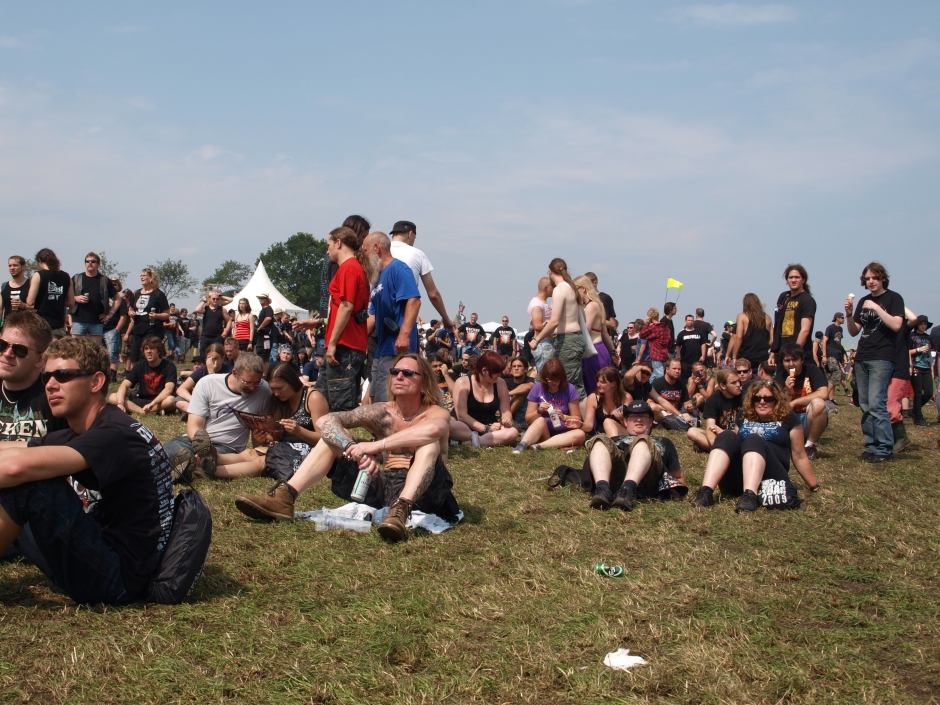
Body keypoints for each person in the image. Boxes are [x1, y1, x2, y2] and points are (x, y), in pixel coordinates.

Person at [0, 337, 174, 605]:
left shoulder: (113, 435)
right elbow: (17, 447)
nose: (50, 385)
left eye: (64, 376)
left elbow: (14, 467)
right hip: (103, 551)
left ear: (96, 382)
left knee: (29, 483)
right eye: (46, 377)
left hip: (116, 579)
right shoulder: (90, 429)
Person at [234, 354, 459, 542]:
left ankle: (401, 510)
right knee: (329, 440)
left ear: (424, 383)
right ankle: (284, 498)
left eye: (408, 373)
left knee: (428, 445)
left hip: (427, 494)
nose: (399, 376)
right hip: (384, 487)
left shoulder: (434, 411)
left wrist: (373, 446)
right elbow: (325, 422)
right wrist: (352, 447)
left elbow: (432, 431)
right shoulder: (381, 411)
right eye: (395, 372)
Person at [691, 380, 818, 511]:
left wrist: (814, 486)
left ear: (777, 400)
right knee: (727, 436)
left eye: (768, 398)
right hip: (737, 480)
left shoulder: (789, 417)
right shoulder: (743, 415)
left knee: (753, 439)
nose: (762, 402)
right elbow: (734, 445)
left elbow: (799, 455)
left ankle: (750, 496)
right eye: (757, 398)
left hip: (770, 478)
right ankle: (705, 491)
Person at [208, 362, 328, 479]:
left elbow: (324, 439)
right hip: (283, 447)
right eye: (272, 389)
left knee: (262, 462)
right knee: (250, 453)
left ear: (292, 382)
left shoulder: (313, 398)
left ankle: (210, 471)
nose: (276, 393)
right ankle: (210, 457)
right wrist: (264, 437)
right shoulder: (279, 400)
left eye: (280, 388)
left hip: (310, 452)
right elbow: (277, 436)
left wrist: (299, 431)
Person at [163, 352, 272, 480]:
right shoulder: (208, 384)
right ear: (234, 373)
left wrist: (260, 439)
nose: (253, 388)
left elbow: (260, 430)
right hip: (195, 441)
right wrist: (203, 447)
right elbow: (194, 425)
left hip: (227, 448)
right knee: (161, 456)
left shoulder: (264, 391)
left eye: (257, 383)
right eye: (247, 382)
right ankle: (189, 467)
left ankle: (190, 468)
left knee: (198, 461)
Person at [845, 262, 905, 462]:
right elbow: (854, 331)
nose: (871, 282)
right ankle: (871, 445)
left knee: (877, 402)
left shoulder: (893, 298)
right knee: (864, 403)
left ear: (882, 278)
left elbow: (897, 325)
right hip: (863, 355)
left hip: (882, 356)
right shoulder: (863, 301)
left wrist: (877, 308)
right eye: (867, 279)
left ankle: (884, 449)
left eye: (874, 278)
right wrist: (848, 315)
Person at [585, 400, 686, 511]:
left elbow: (678, 477)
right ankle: (602, 489)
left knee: (643, 441)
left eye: (643, 416)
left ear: (651, 422)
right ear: (626, 422)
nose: (638, 419)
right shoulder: (613, 440)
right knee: (599, 440)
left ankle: (628, 490)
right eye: (633, 416)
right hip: (616, 476)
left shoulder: (664, 441)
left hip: (648, 478)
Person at [316, 226, 371, 411]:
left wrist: (332, 343)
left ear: (338, 243)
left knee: (340, 408)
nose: (327, 250)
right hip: (344, 344)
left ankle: (346, 440)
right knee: (320, 398)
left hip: (344, 345)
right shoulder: (351, 268)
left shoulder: (349, 268)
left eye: (328, 245)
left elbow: (346, 307)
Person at [363, 232, 421, 403]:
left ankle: (395, 429)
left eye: (365, 251)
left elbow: (414, 301)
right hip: (382, 348)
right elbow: (372, 315)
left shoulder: (398, 269)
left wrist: (404, 335)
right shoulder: (377, 278)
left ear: (376, 248)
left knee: (389, 399)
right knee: (375, 397)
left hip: (398, 348)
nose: (364, 257)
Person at [0, 311, 68, 444]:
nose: (7, 353)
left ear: (39, 359)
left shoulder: (56, 396)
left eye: (19, 350)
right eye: (2, 345)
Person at [529, 259, 585, 397]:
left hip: (568, 341)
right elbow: (581, 316)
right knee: (573, 385)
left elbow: (554, 321)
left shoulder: (560, 289)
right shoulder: (572, 288)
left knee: (572, 386)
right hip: (572, 339)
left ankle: (584, 418)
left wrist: (537, 340)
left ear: (550, 272)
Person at [389, 220, 456, 334]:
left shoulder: (379, 251)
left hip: (379, 317)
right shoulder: (417, 254)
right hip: (405, 318)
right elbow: (433, 294)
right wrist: (445, 318)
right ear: (410, 234)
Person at [514, 358, 586, 452]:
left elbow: (577, 418)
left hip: (563, 432)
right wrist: (539, 411)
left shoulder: (569, 389)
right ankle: (522, 445)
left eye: (557, 379)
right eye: (550, 379)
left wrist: (563, 416)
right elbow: (528, 419)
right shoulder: (538, 388)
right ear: (544, 378)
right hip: (544, 431)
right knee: (540, 420)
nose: (554, 383)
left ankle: (540, 446)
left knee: (580, 434)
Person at [450, 351, 518, 447]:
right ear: (484, 370)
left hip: (490, 426)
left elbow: (506, 411)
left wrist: (506, 420)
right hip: (464, 426)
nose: (499, 375)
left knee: (513, 433)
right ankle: (481, 440)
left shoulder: (500, 383)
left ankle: (469, 442)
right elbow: (461, 416)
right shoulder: (463, 382)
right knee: (450, 425)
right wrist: (485, 429)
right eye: (497, 372)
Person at [774, 343, 830, 459]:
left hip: (809, 418)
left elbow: (824, 393)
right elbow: (781, 408)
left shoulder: (812, 370)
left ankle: (810, 446)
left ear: (802, 360)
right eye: (787, 361)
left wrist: (795, 402)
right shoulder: (780, 378)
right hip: (789, 420)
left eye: (794, 360)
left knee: (818, 403)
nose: (791, 364)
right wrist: (788, 392)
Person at [109, 336, 178, 416]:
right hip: (141, 400)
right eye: (146, 349)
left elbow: (169, 389)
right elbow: (124, 385)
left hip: (159, 401)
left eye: (152, 349)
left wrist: (153, 403)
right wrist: (120, 403)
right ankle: (145, 412)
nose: (148, 351)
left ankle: (148, 410)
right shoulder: (140, 365)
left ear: (159, 351)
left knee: (171, 400)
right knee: (113, 397)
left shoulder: (169, 366)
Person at [573, 275, 618, 395]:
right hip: (600, 349)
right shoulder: (598, 304)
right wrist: (613, 352)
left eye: (575, 289)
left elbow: (585, 330)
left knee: (595, 390)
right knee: (603, 389)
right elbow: (604, 333)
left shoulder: (591, 306)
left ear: (583, 288)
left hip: (592, 352)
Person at [69, 252, 121, 347]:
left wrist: (110, 314)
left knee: (94, 351)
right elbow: (66, 296)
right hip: (78, 320)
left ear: (98, 264)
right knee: (75, 350)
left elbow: (117, 299)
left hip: (97, 322)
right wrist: (76, 298)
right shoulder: (76, 278)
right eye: (87, 261)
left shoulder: (104, 280)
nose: (90, 263)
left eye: (93, 261)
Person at [770, 264, 816, 366]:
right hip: (783, 354)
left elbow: (805, 330)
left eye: (797, 277)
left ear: (803, 280)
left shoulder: (807, 300)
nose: (793, 280)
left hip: (799, 355)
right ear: (787, 280)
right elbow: (777, 326)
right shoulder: (783, 297)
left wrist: (794, 354)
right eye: (790, 277)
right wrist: (773, 351)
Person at [687, 369, 743, 452]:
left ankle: (716, 449)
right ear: (723, 386)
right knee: (692, 432)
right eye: (734, 383)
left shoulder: (745, 397)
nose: (738, 385)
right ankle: (724, 449)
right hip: (720, 436)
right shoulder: (713, 400)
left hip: (739, 435)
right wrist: (713, 442)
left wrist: (722, 432)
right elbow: (710, 427)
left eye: (739, 382)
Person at [25, 248, 74, 339]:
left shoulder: (38, 275)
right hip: (59, 325)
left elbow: (30, 301)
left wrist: (45, 299)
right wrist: (57, 300)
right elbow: (71, 302)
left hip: (41, 324)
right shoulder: (66, 276)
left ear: (39, 260)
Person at [127, 268, 170, 366]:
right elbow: (131, 308)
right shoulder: (137, 293)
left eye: (144, 275)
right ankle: (136, 377)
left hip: (152, 329)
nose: (141, 277)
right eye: (141, 275)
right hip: (138, 329)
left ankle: (146, 376)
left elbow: (167, 314)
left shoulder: (158, 294)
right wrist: (131, 313)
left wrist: (157, 315)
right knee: (134, 355)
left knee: (145, 355)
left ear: (151, 278)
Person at [174, 343, 230, 417]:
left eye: (216, 358)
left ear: (222, 358)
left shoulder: (229, 372)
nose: (212, 361)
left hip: (221, 403)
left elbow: (216, 393)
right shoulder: (202, 370)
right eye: (209, 358)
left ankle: (199, 414)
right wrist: (194, 400)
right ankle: (204, 414)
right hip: (202, 404)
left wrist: (211, 373)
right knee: (179, 401)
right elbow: (181, 389)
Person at [728, 293, 773, 373]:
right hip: (762, 357)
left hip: (746, 356)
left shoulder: (742, 316)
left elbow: (738, 337)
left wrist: (734, 357)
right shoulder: (767, 318)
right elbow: (772, 340)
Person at [580, 366, 629, 438]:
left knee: (608, 421)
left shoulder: (626, 397)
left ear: (613, 384)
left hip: (622, 435)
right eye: (598, 381)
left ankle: (614, 445)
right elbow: (589, 425)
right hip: (602, 436)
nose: (598, 385)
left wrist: (621, 420)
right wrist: (579, 425)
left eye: (602, 382)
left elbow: (631, 426)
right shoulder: (593, 398)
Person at [650, 357, 696, 425]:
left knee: (695, 413)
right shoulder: (657, 383)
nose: (677, 371)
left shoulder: (681, 384)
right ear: (667, 369)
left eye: (679, 369)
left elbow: (687, 402)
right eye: (674, 368)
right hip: (664, 413)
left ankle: (687, 421)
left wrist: (689, 407)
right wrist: (664, 408)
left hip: (678, 411)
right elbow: (650, 403)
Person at [101, 278, 128, 383]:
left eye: (115, 284)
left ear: (119, 287)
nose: (113, 286)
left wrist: (116, 329)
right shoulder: (102, 298)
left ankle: (112, 375)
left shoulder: (121, 301)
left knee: (112, 353)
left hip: (111, 330)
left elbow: (123, 317)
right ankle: (104, 374)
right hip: (99, 329)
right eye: (111, 284)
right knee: (101, 354)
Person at [527, 277, 555, 372]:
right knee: (545, 375)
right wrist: (551, 325)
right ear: (546, 288)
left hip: (546, 344)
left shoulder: (542, 303)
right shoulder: (537, 304)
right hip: (544, 345)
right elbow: (537, 326)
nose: (554, 289)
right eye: (553, 287)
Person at [909, 315, 933, 426]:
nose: (923, 326)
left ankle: (914, 410)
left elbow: (930, 355)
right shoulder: (911, 336)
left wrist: (932, 369)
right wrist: (918, 349)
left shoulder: (928, 337)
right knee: (918, 393)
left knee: (928, 392)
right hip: (915, 367)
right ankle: (918, 417)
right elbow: (906, 352)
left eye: (925, 324)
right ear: (917, 325)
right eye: (921, 324)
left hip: (927, 367)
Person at [639, 308, 671, 381]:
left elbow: (642, 335)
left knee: (659, 375)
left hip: (656, 354)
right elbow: (669, 341)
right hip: (664, 354)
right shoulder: (666, 327)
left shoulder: (653, 328)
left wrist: (647, 323)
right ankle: (649, 388)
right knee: (654, 374)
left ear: (650, 317)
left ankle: (661, 390)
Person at [821, 313, 846, 401]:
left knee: (834, 376)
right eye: (842, 317)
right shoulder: (830, 328)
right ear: (837, 318)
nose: (844, 319)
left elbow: (839, 343)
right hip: (830, 354)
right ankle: (824, 396)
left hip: (837, 355)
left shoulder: (840, 329)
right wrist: (824, 355)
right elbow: (824, 341)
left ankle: (831, 399)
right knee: (836, 374)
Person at [675, 315, 707, 381]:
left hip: (697, 361)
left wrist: (703, 356)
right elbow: (677, 346)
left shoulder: (699, 332)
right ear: (685, 321)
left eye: (692, 320)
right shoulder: (681, 334)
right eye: (689, 320)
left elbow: (703, 344)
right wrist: (679, 357)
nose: (690, 322)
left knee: (698, 378)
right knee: (684, 380)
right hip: (685, 361)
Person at [1, 255, 31, 322]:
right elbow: (1, 309)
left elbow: (39, 307)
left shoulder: (31, 285)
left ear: (23, 266)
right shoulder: (4, 286)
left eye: (15, 265)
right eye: (10, 266)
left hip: (26, 327)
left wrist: (24, 306)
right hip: (8, 328)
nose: (12, 268)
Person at [253, 293, 276, 366]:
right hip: (263, 336)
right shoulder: (264, 309)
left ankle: (264, 375)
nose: (260, 299)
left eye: (262, 298)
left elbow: (268, 318)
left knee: (263, 356)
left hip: (264, 336)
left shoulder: (268, 309)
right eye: (260, 298)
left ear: (267, 299)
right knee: (262, 355)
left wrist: (260, 327)